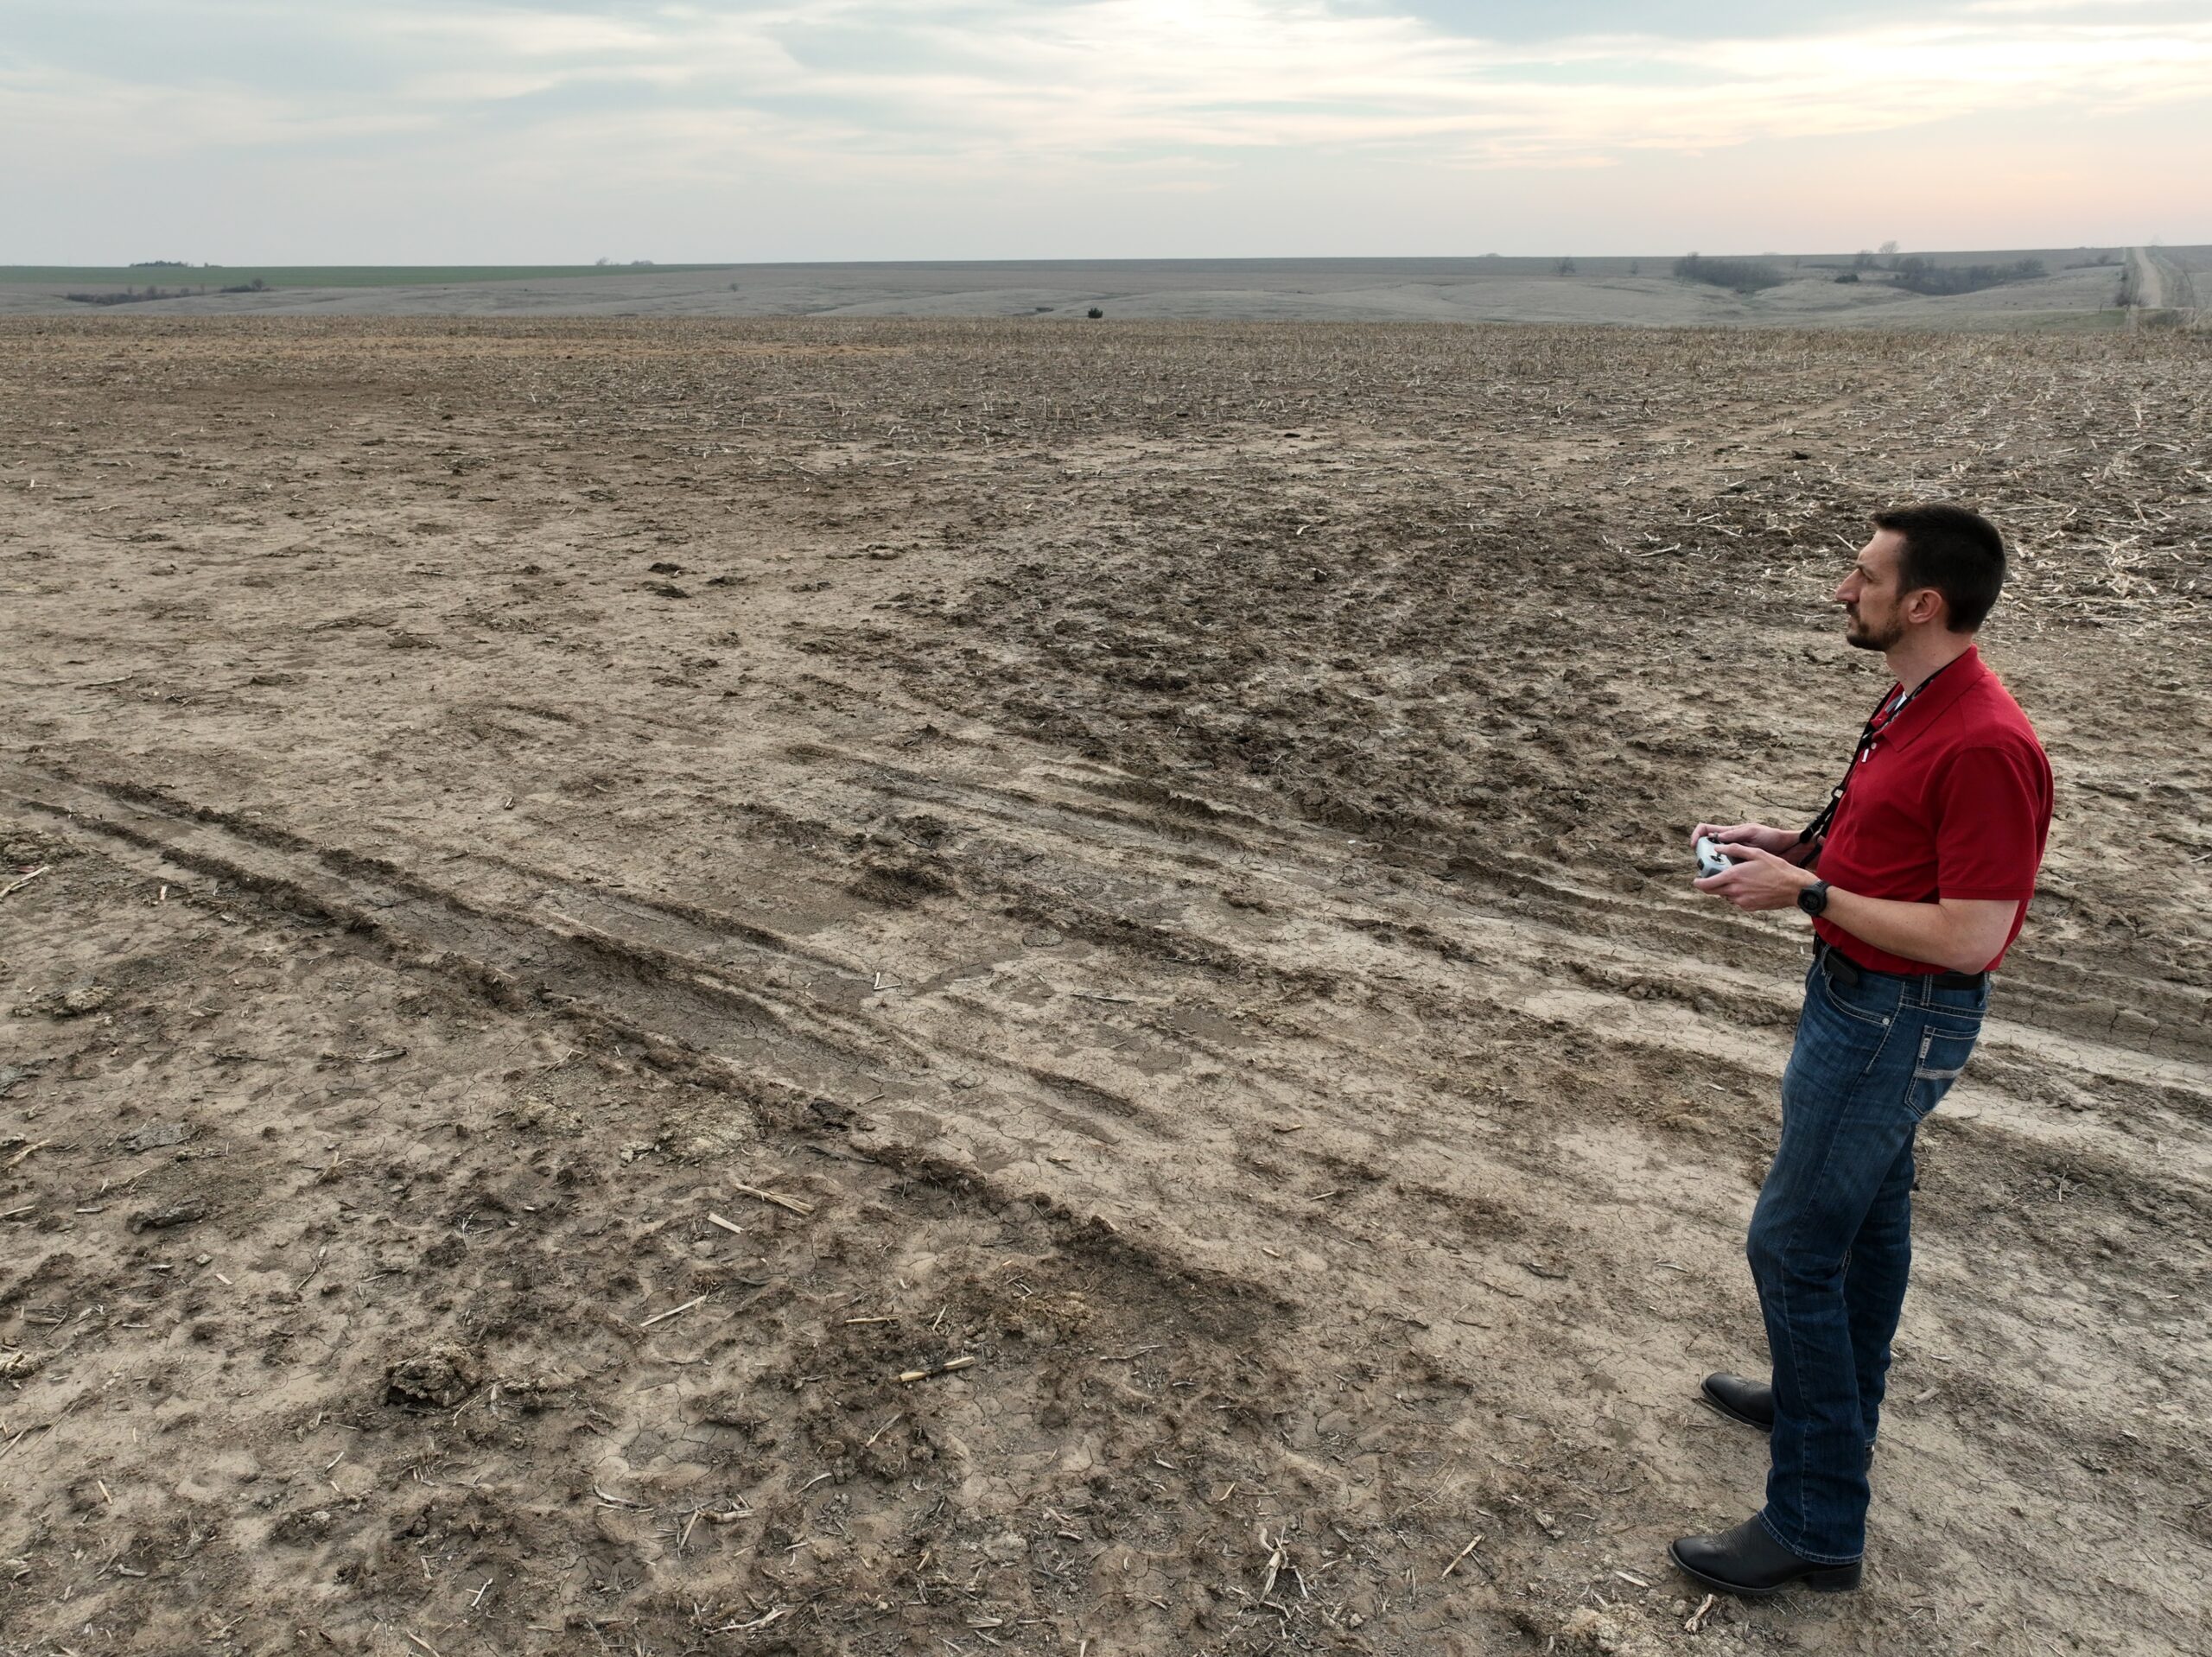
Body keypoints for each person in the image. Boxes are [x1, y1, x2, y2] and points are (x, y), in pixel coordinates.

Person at [1669, 503, 2053, 1597]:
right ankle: (1812, 1395)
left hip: (1897, 1018)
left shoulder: (1986, 741)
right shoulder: (1915, 698)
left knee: (1791, 1246)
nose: (1845, 590)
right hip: (1858, 999)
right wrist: (1790, 845)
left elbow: (1973, 934)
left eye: (1863, 574)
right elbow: (1896, 851)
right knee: (1866, 1233)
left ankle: (1816, 1521)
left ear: (1922, 603)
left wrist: (1810, 890)